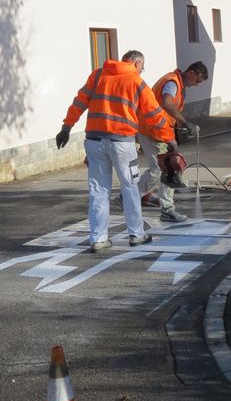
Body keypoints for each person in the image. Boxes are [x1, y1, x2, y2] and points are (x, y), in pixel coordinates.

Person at [55, 50, 175, 252]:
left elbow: (79, 102)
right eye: (142, 67)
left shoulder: (98, 76)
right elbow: (154, 114)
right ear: (137, 63)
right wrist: (168, 138)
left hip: (94, 141)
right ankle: (136, 234)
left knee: (98, 190)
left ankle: (98, 239)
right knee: (130, 187)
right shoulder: (136, 82)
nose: (142, 71)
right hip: (122, 143)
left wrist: (66, 128)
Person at [138, 61, 209, 221]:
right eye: (197, 80)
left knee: (168, 168)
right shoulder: (172, 83)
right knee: (160, 170)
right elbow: (167, 104)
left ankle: (163, 207)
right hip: (154, 130)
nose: (196, 85)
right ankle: (132, 196)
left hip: (158, 130)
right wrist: (185, 123)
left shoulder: (175, 81)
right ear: (191, 72)